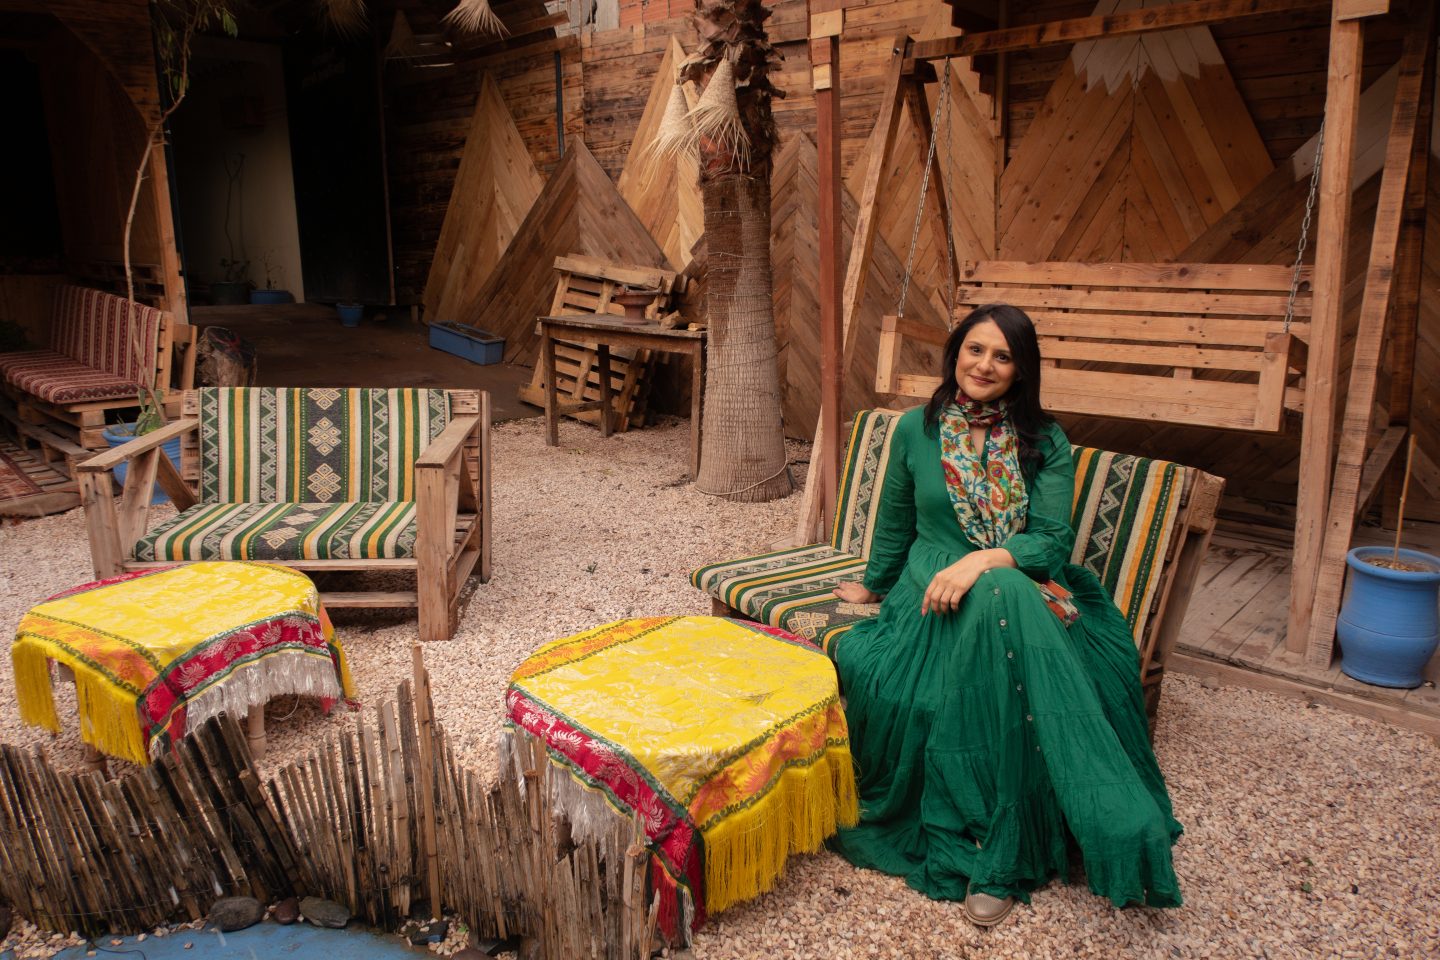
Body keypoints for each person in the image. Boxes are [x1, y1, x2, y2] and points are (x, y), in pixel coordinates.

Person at [828, 303, 1182, 926]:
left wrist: (984, 561)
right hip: (931, 587)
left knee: (1002, 592)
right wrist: (875, 586)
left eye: (1002, 355)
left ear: (1021, 370)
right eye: (974, 350)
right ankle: (1082, 828)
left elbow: (1047, 543)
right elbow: (894, 521)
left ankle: (998, 850)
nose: (984, 365)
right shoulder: (917, 428)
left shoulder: (1045, 439)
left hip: (1019, 582)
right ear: (955, 353)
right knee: (990, 618)